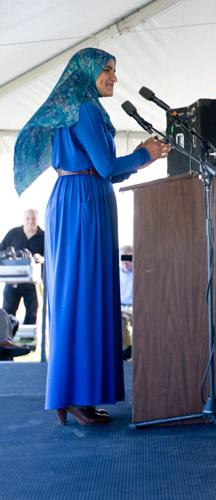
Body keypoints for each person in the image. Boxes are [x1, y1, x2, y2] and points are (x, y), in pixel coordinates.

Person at [12, 48, 170, 425]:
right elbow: (105, 166)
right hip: (82, 203)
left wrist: (142, 158)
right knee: (83, 297)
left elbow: (109, 172)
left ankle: (76, 395)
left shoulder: (83, 107)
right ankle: (74, 396)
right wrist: (144, 155)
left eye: (115, 70)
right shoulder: (82, 108)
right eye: (107, 70)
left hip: (84, 198)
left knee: (84, 296)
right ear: (86, 72)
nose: (114, 77)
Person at [1, 209, 45, 325]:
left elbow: (51, 258)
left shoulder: (44, 236)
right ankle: (6, 340)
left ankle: (28, 342)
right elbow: (1, 251)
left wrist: (41, 259)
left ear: (38, 220)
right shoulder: (13, 233)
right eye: (28, 218)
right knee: (6, 313)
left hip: (33, 284)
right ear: (23, 219)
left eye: (33, 219)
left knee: (32, 314)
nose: (31, 221)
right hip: (12, 282)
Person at [118, 244, 133, 359]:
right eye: (123, 260)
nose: (126, 263)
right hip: (121, 307)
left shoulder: (138, 273)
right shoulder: (115, 273)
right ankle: (126, 350)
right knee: (121, 320)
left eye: (129, 260)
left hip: (136, 306)